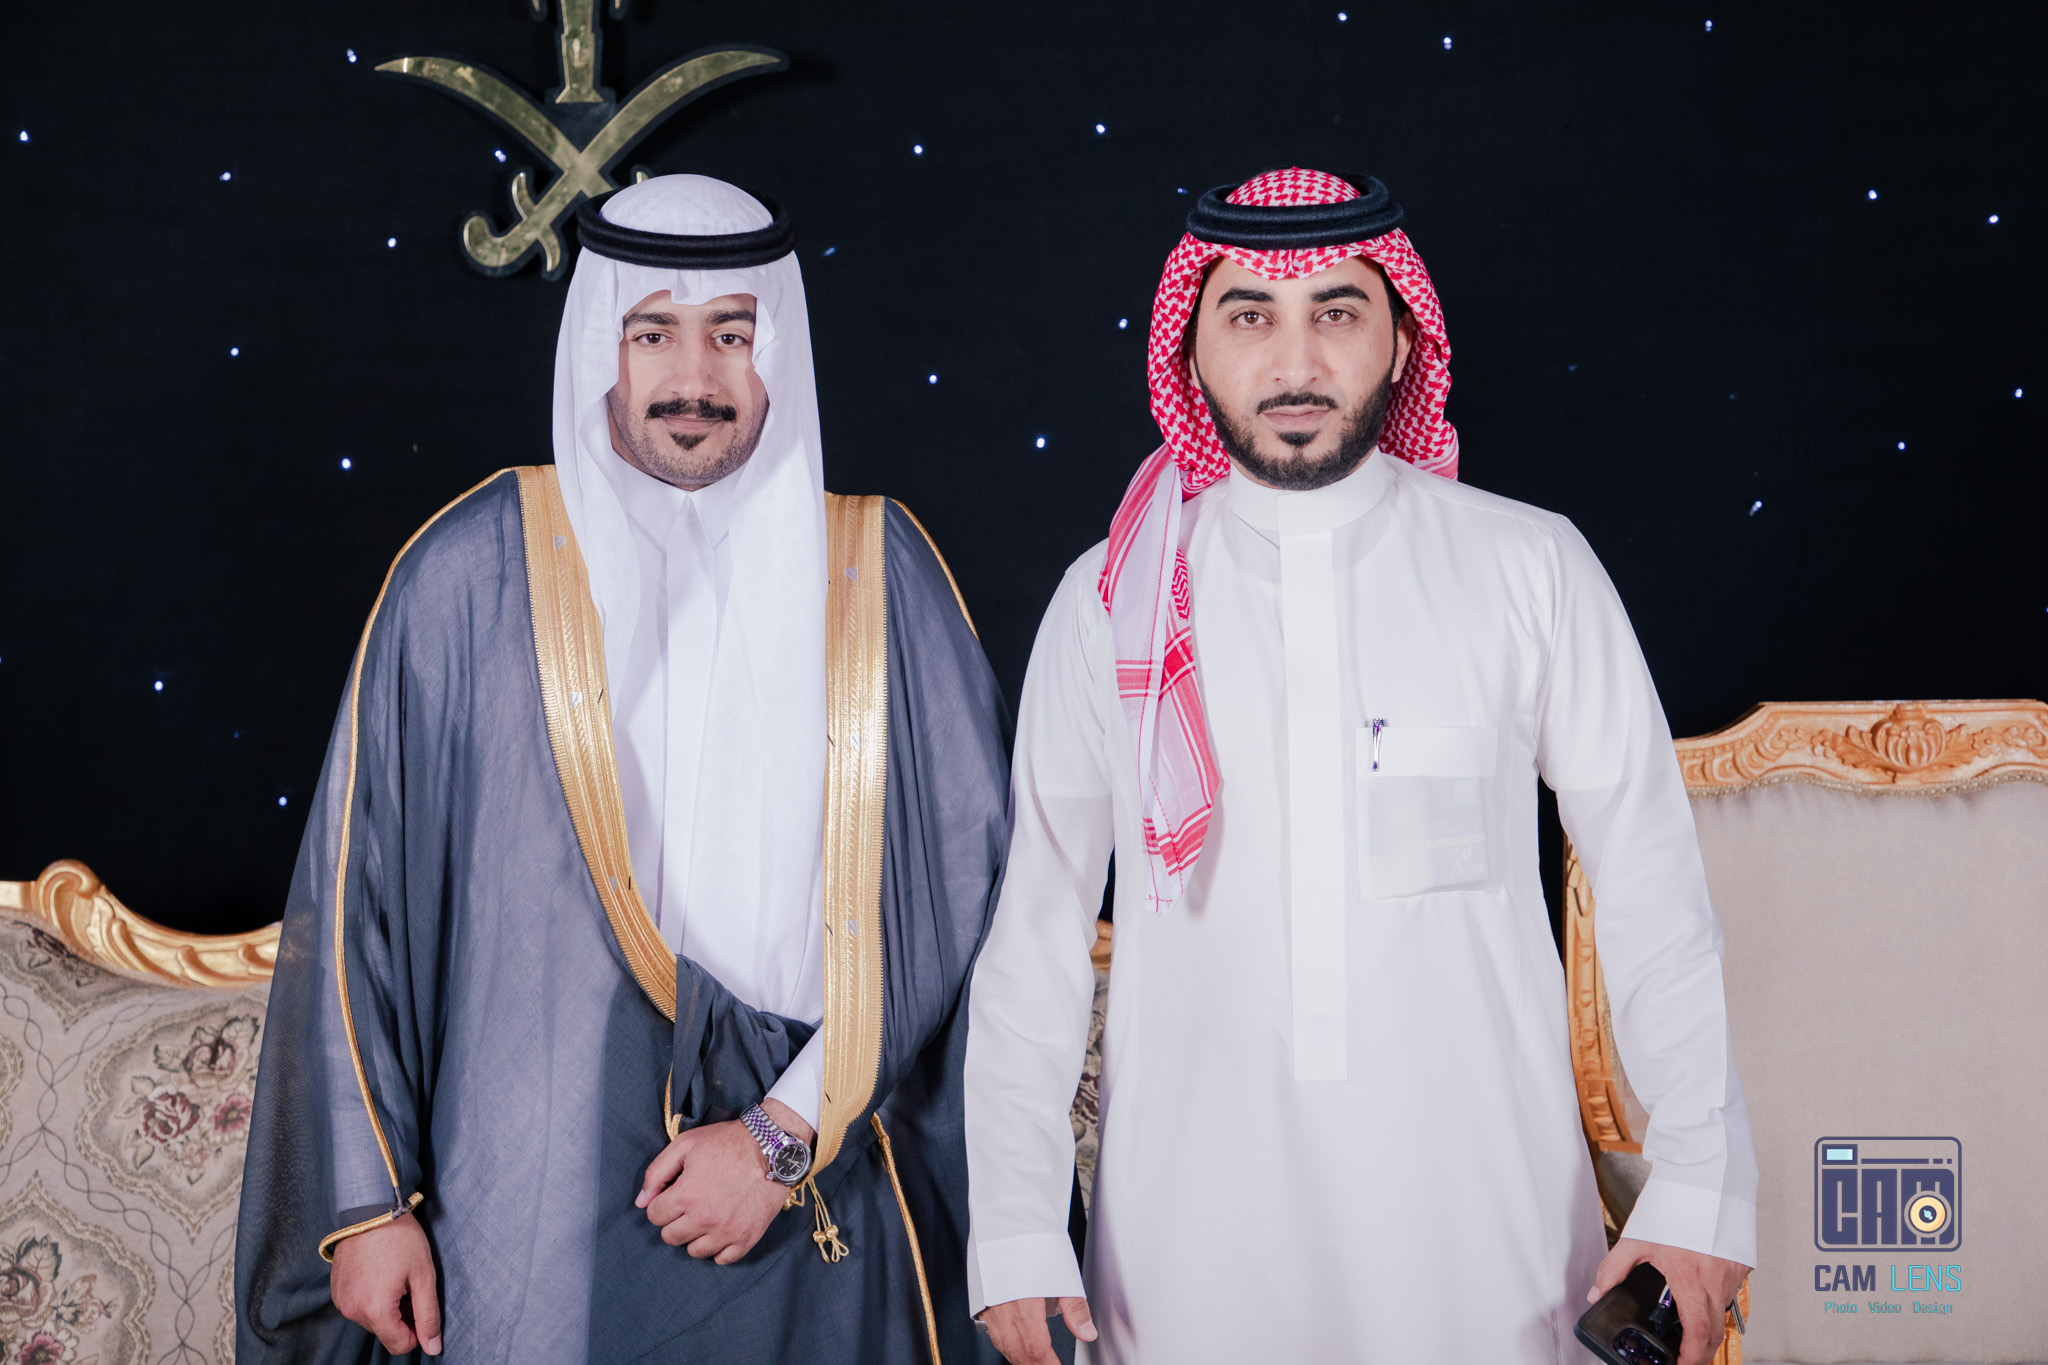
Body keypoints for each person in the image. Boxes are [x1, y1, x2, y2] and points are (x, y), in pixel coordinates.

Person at [963, 168, 1756, 1365]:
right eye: (1248, 316)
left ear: (1399, 339)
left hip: (1482, 1236)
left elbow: (1652, 892)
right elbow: (1035, 927)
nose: (1294, 363)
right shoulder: (1109, 601)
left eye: (1335, 312)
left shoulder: (1528, 568)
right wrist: (1017, 1224)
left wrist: (1698, 1186)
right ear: (1189, 350)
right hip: (1188, 1247)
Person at [235, 174, 1009, 1364]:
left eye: (730, 335)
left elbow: (958, 893)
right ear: (600, 342)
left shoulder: (878, 573)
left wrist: (779, 1135)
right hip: (530, 1199)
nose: (692, 377)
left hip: (811, 1182)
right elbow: (358, 908)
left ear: (777, 351)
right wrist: (369, 1208)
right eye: (652, 333)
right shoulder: (468, 575)